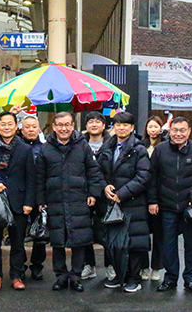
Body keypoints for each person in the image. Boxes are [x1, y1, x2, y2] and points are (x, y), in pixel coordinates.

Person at [36, 112, 105, 292]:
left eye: (67, 124)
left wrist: (93, 193)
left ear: (73, 126)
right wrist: (41, 200)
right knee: (57, 240)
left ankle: (76, 276)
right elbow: (39, 177)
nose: (63, 128)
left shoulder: (82, 145)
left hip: (79, 198)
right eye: (59, 125)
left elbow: (93, 171)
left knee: (79, 239)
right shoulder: (46, 148)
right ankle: (60, 276)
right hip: (54, 199)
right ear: (54, 127)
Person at [148, 116, 192, 293]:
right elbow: (152, 178)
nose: (178, 134)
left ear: (189, 131)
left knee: (191, 245)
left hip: (189, 206)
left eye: (183, 130)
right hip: (166, 206)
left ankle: (190, 279)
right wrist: (152, 200)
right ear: (169, 131)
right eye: (175, 130)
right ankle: (170, 278)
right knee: (168, 244)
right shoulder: (160, 150)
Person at [0, 111, 36, 291]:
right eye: (2, 124)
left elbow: (31, 178)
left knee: (18, 242)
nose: (6, 127)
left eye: (10, 124)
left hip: (18, 201)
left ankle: (16, 275)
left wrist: (29, 202)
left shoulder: (25, 149)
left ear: (16, 127)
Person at [96, 112, 151, 293]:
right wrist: (105, 187)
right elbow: (98, 173)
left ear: (132, 128)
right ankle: (120, 277)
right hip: (111, 203)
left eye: (126, 125)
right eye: (118, 124)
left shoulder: (139, 149)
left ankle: (133, 278)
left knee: (133, 244)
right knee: (114, 242)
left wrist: (122, 193)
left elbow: (143, 177)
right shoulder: (107, 147)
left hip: (132, 203)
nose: (121, 128)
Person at [82, 111, 109, 280]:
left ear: (103, 125)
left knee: (107, 230)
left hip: (106, 194)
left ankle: (110, 265)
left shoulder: (111, 144)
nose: (94, 124)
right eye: (90, 121)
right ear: (86, 126)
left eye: (97, 121)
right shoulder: (79, 144)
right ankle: (88, 265)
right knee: (84, 231)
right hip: (84, 194)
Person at [19, 115, 46, 281]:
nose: (30, 130)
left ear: (39, 129)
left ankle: (37, 266)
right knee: (19, 234)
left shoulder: (45, 148)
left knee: (40, 234)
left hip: (40, 197)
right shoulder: (17, 147)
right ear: (21, 130)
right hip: (21, 196)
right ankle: (20, 265)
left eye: (33, 127)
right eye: (27, 127)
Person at [141, 115, 167, 281]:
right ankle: (143, 267)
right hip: (141, 194)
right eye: (150, 126)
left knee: (159, 234)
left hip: (159, 194)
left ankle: (156, 267)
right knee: (142, 233)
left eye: (156, 127)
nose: (153, 130)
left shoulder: (165, 146)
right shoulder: (140, 145)